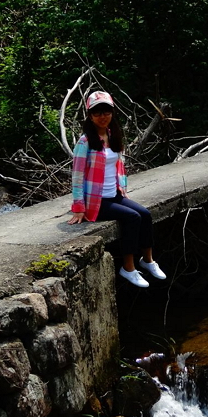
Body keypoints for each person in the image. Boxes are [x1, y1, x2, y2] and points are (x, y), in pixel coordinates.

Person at [68, 90, 166, 288]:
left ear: (112, 113)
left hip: (114, 194)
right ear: (90, 116)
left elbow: (118, 167)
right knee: (132, 217)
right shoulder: (85, 141)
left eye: (106, 112)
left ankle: (147, 260)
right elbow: (77, 175)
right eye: (97, 113)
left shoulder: (113, 135)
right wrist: (78, 207)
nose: (102, 117)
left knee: (145, 214)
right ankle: (128, 268)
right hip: (96, 201)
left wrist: (122, 189)